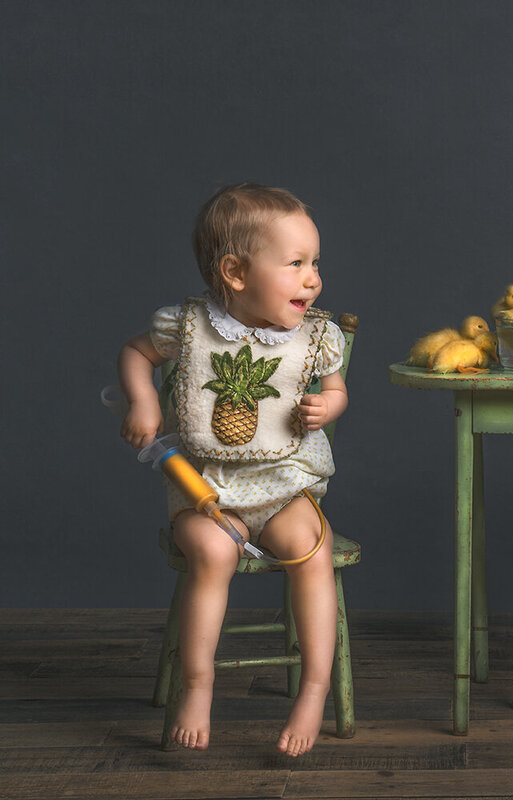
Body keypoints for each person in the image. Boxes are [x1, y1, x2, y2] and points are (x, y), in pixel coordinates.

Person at [118, 183, 348, 757]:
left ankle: (315, 687)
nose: (312, 278)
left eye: (315, 262)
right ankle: (198, 682)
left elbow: (337, 387)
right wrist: (144, 400)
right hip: (205, 484)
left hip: (282, 481)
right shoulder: (189, 327)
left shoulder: (315, 336)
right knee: (214, 552)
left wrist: (330, 404)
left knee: (311, 551)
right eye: (295, 264)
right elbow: (135, 352)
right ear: (235, 272)